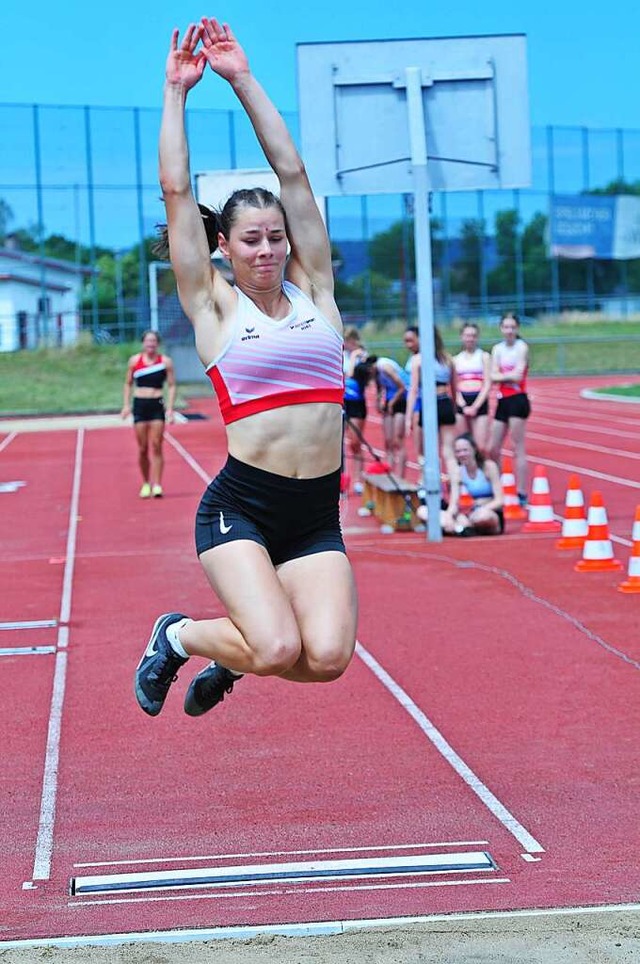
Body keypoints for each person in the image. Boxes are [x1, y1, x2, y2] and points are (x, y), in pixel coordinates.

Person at [134, 18, 357, 719]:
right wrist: (178, 92)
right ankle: (179, 637)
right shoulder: (215, 311)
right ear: (223, 247)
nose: (266, 250)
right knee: (272, 647)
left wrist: (241, 79)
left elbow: (292, 172)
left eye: (276, 237)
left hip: (316, 511)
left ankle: (235, 655)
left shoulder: (316, 293)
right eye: (250, 240)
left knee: (323, 659)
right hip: (243, 507)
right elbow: (176, 193)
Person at [121, 329, 176, 498]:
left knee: (156, 445)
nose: (150, 344)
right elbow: (128, 384)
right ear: (143, 343)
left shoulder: (165, 362)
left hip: (156, 405)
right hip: (140, 405)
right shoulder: (134, 361)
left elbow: (172, 385)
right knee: (143, 447)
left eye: (153, 341)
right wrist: (126, 405)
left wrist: (170, 408)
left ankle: (157, 484)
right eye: (148, 341)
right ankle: (146, 483)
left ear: (157, 343)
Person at [405, 326, 458, 500]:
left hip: (429, 404)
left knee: (430, 451)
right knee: (448, 451)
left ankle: (430, 487)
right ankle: (454, 485)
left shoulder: (418, 359)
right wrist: (454, 408)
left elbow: (413, 390)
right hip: (445, 402)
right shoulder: (448, 359)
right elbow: (454, 389)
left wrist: (408, 417)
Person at [489, 312, 530, 507]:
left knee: (517, 447)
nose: (509, 331)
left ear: (517, 328)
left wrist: (501, 376)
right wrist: (506, 376)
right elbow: (492, 375)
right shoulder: (497, 349)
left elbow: (518, 376)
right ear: (501, 328)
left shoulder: (521, 348)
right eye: (506, 327)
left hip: (518, 400)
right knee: (492, 448)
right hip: (503, 400)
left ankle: (521, 492)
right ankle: (497, 489)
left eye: (512, 327)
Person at [450, 433, 504, 535]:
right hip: (472, 513)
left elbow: (500, 500)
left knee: (482, 516)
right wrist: (449, 516)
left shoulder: (489, 467)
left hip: (490, 512)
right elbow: (454, 502)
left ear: (474, 450)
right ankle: (465, 527)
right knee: (424, 512)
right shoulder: (457, 472)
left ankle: (466, 527)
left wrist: (481, 509)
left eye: (465, 450)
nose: (462, 454)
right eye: (458, 451)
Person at [453, 322, 491, 453]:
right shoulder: (456, 360)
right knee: (463, 446)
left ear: (477, 337)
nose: (470, 339)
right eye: (467, 335)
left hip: (479, 401)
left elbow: (487, 384)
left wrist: (475, 406)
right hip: (461, 401)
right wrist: (463, 405)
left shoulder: (484, 357)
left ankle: (481, 472)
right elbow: (453, 385)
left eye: (473, 336)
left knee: (480, 447)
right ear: (462, 337)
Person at [343, 327, 372, 494]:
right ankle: (344, 480)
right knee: (340, 444)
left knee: (355, 442)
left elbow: (353, 374)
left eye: (346, 341)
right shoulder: (342, 355)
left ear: (353, 341)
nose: (345, 344)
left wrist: (354, 357)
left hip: (357, 402)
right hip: (343, 401)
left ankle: (359, 478)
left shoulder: (362, 356)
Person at [374, 356, 409, 480]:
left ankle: (400, 477)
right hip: (390, 400)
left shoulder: (385, 367)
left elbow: (402, 387)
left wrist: (391, 403)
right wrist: (378, 402)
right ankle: (389, 474)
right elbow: (379, 389)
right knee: (388, 441)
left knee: (397, 440)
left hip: (401, 400)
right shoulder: (375, 373)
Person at [402, 326, 423, 464]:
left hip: (420, 402)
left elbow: (414, 388)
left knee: (422, 442)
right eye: (406, 341)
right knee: (418, 444)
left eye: (411, 340)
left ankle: (425, 477)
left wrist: (409, 415)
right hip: (414, 401)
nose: (408, 345)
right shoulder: (412, 357)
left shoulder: (421, 357)